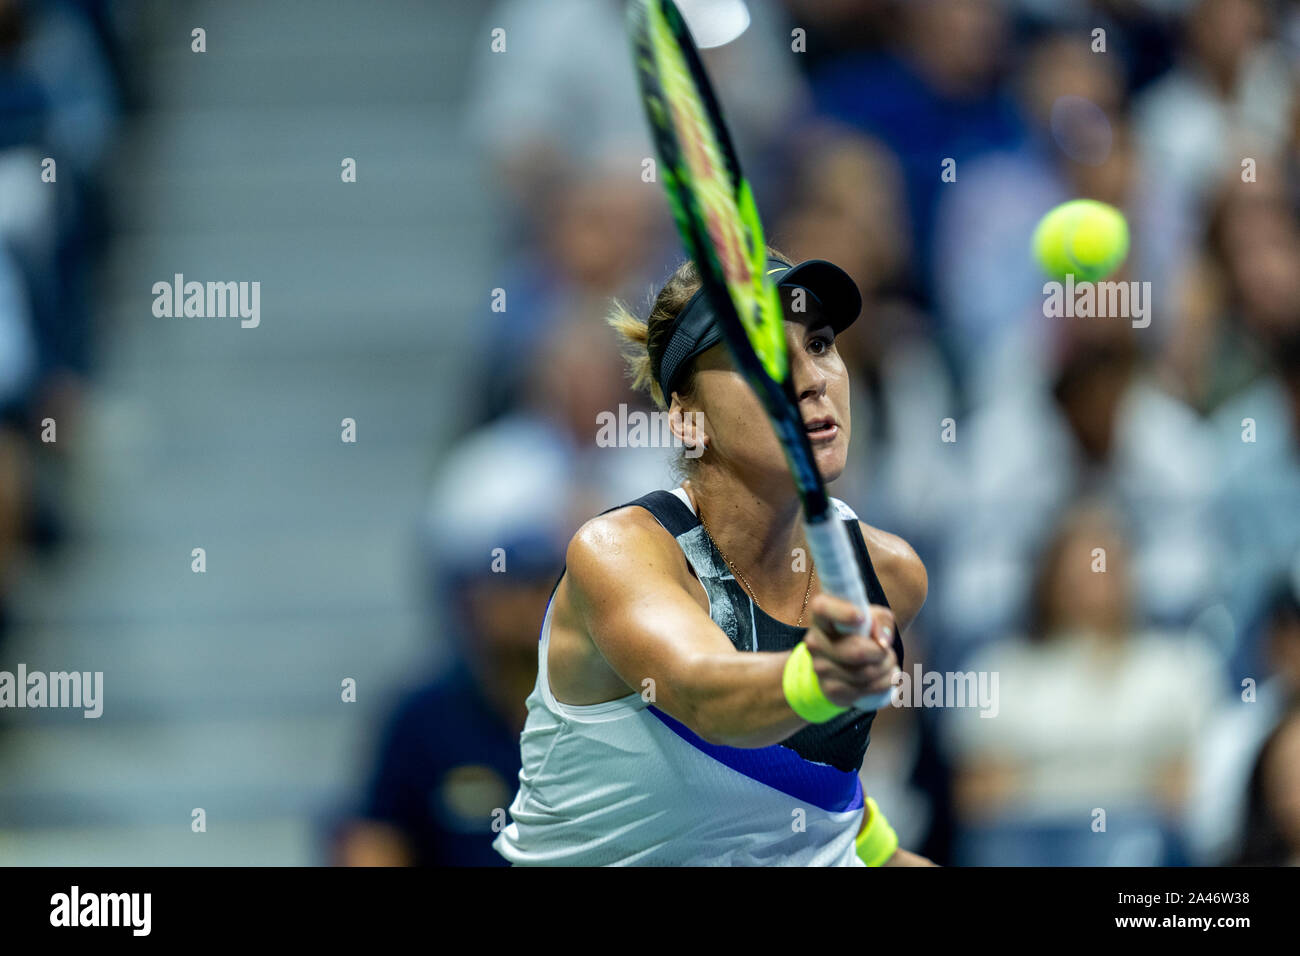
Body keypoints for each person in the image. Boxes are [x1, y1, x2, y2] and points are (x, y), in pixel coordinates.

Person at [492, 250, 933, 866]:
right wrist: (815, 676)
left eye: (822, 344)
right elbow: (704, 695)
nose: (812, 378)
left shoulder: (892, 576)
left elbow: (815, 823)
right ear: (688, 417)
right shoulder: (620, 554)